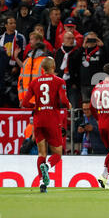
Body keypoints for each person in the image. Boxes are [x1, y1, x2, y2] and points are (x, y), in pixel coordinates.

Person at [21, 57, 71, 193]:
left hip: (38, 119)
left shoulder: (34, 82)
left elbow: (24, 103)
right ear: (54, 67)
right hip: (52, 119)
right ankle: (47, 167)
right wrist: (68, 105)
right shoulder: (59, 81)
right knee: (57, 154)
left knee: (41, 153)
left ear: (42, 69)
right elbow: (63, 99)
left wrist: (36, 106)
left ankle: (42, 183)